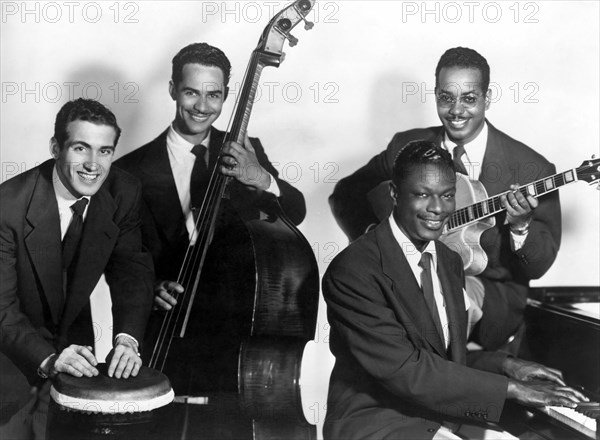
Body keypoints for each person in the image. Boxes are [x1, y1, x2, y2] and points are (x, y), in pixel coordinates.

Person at [323, 140, 584, 440]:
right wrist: (514, 390)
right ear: (395, 193)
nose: (437, 208)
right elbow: (409, 371)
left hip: (437, 415)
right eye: (422, 195)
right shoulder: (353, 270)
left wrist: (508, 366)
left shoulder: (448, 259)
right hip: (378, 423)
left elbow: (443, 359)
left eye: (447, 196)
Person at [328, 47, 560, 351]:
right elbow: (347, 193)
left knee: (431, 302)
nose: (456, 110)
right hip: (407, 274)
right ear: (436, 94)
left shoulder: (531, 168)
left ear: (487, 99)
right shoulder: (407, 145)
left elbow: (537, 266)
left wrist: (520, 228)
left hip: (485, 289)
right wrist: (375, 235)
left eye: (469, 98)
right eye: (446, 97)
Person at [0, 98, 154, 439]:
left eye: (105, 151)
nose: (93, 165)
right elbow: (1, 310)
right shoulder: (6, 206)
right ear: (56, 147)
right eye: (81, 148)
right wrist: (48, 358)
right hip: (7, 358)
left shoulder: (123, 191)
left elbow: (132, 271)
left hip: (75, 354)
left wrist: (127, 340)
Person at [115, 42, 306, 311]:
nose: (202, 107)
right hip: (166, 324)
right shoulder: (128, 170)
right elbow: (118, 256)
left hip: (235, 314)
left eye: (213, 95)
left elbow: (296, 213)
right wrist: (150, 287)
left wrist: (262, 178)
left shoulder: (245, 152)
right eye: (191, 92)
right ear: (173, 90)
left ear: (226, 95)